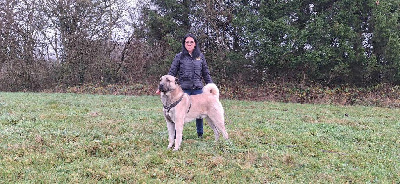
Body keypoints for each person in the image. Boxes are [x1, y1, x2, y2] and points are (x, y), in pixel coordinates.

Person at [167, 33, 213, 138]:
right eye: (187, 42)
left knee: (199, 113)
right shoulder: (179, 56)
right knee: (177, 114)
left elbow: (205, 73)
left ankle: (200, 133)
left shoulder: (200, 56)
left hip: (197, 88)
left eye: (191, 42)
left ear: (195, 44)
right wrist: (165, 85)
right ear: (184, 44)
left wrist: (210, 85)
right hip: (183, 89)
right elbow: (172, 72)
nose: (189, 44)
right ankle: (176, 135)